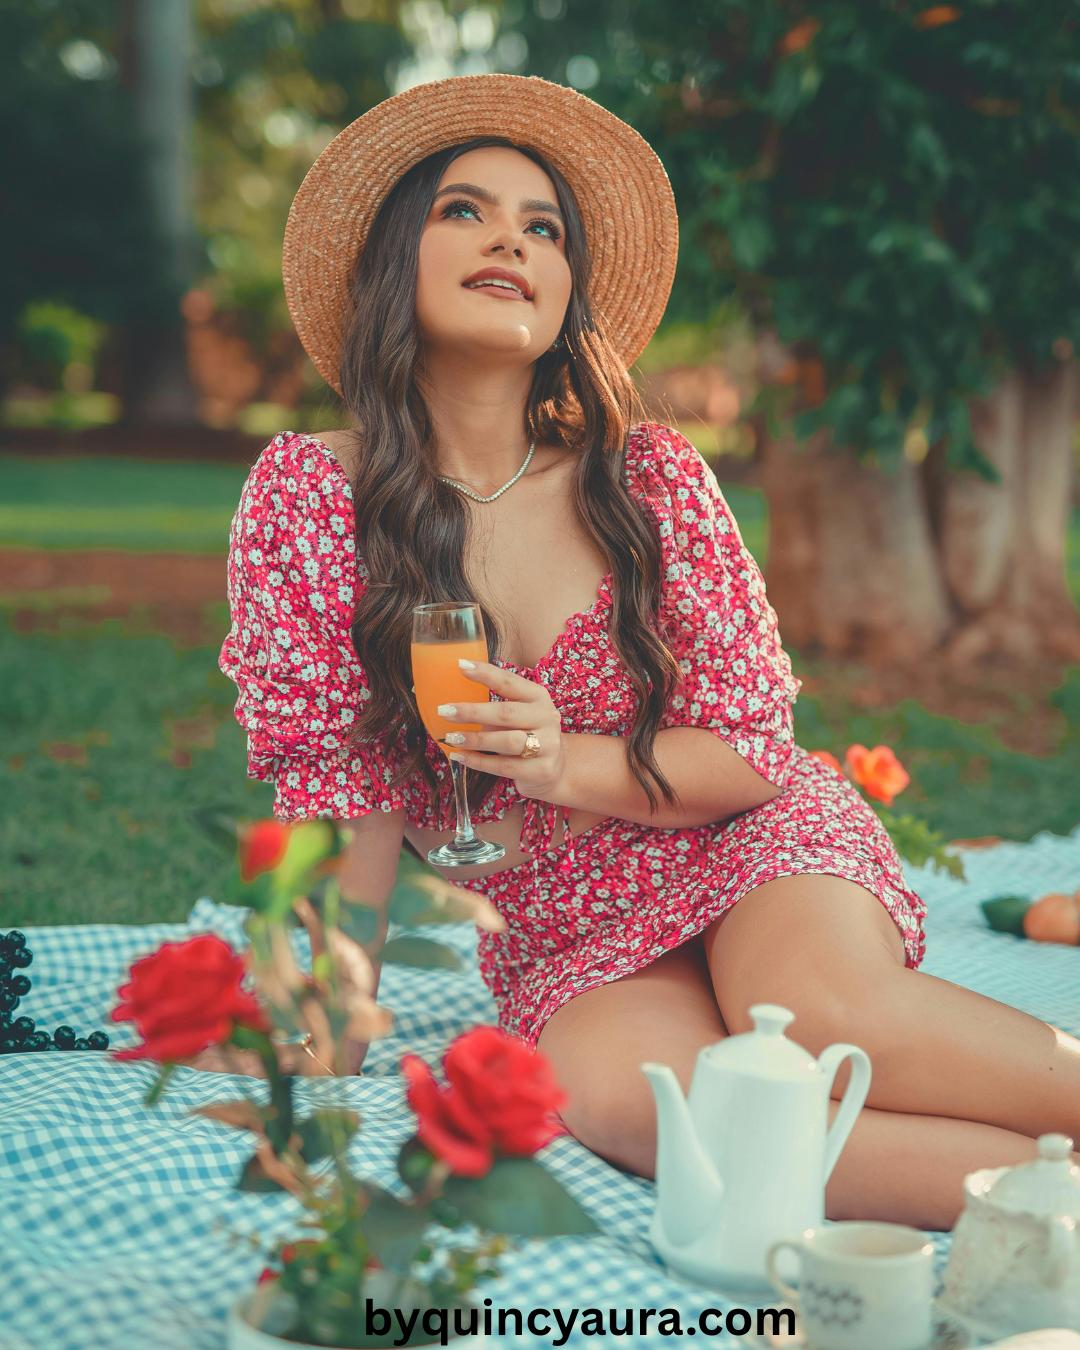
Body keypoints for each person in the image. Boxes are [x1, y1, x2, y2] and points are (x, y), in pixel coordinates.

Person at [217, 73, 1080, 1229]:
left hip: (745, 844)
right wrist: (317, 1034)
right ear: (390, 260)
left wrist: (559, 762)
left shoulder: (651, 475)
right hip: (568, 922)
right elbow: (342, 793)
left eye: (544, 228)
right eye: (463, 211)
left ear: (568, 288)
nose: (510, 242)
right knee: (646, 1110)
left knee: (830, 1016)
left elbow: (751, 753)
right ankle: (1051, 1201)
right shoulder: (310, 499)